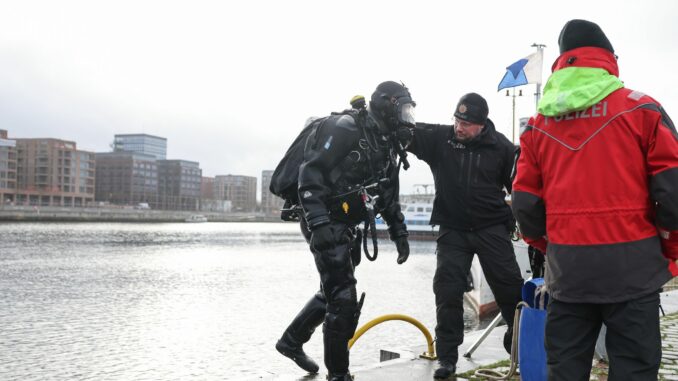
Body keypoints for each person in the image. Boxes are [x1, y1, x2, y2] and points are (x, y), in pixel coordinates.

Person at [512, 19, 678, 380]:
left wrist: (551, 245)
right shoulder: (642, 110)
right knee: (635, 369)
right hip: (633, 271)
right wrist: (669, 249)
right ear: (607, 58)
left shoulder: (539, 126)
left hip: (569, 275)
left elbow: (524, 202)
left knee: (565, 369)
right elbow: (672, 191)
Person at [275, 81, 415, 381]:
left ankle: (291, 341)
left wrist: (399, 232)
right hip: (323, 217)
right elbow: (309, 173)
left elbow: (388, 193)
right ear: (387, 105)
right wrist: (319, 224)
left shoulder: (388, 143)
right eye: (404, 110)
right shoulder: (346, 128)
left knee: (333, 290)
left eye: (410, 112)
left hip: (345, 222)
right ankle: (339, 375)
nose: (408, 118)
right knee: (343, 297)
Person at [407, 93, 524, 379]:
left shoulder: (503, 148)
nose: (459, 127)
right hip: (453, 229)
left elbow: (520, 189)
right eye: (457, 120)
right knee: (447, 293)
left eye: (467, 123)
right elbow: (402, 132)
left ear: (482, 124)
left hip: (492, 228)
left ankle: (518, 344)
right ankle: (447, 359)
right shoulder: (439, 139)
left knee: (511, 289)